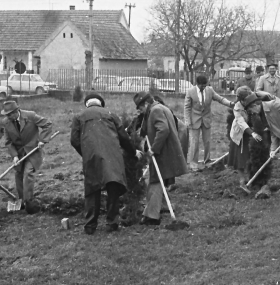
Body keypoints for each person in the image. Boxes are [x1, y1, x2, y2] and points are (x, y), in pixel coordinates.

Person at [70, 93, 137, 234]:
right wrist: (132, 152)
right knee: (113, 187)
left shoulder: (79, 117)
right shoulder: (111, 115)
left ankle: (90, 226)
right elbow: (123, 137)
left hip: (92, 157)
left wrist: (86, 153)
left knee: (92, 189)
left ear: (87, 104)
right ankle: (111, 224)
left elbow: (74, 140)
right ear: (101, 103)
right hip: (112, 156)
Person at [135, 91, 188, 225]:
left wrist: (154, 148)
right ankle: (161, 207)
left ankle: (152, 216)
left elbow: (163, 129)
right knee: (159, 179)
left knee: (155, 181)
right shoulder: (161, 108)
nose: (140, 111)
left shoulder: (155, 110)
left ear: (146, 103)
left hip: (163, 152)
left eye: (140, 107)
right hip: (167, 150)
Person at [1, 100, 53, 213]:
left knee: (28, 173)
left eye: (9, 114)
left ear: (16, 111)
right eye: (6, 115)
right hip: (19, 153)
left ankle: (29, 203)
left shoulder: (30, 116)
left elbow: (48, 124)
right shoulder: (6, 122)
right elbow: (8, 142)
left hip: (32, 151)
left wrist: (42, 140)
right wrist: (14, 156)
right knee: (18, 175)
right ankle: (22, 201)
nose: (8, 117)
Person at [184, 75, 234, 171]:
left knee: (207, 141)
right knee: (194, 142)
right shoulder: (190, 92)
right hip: (194, 121)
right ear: (197, 84)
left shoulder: (209, 90)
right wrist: (188, 121)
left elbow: (220, 99)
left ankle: (207, 161)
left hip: (206, 120)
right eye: (202, 86)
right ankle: (194, 164)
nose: (204, 87)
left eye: (205, 85)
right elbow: (187, 107)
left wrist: (230, 104)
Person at [227, 86, 268, 185]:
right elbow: (241, 123)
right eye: (247, 99)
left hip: (253, 129)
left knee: (253, 155)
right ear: (242, 99)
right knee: (240, 156)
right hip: (241, 133)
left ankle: (253, 176)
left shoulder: (255, 99)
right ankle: (242, 178)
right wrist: (252, 133)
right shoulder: (237, 108)